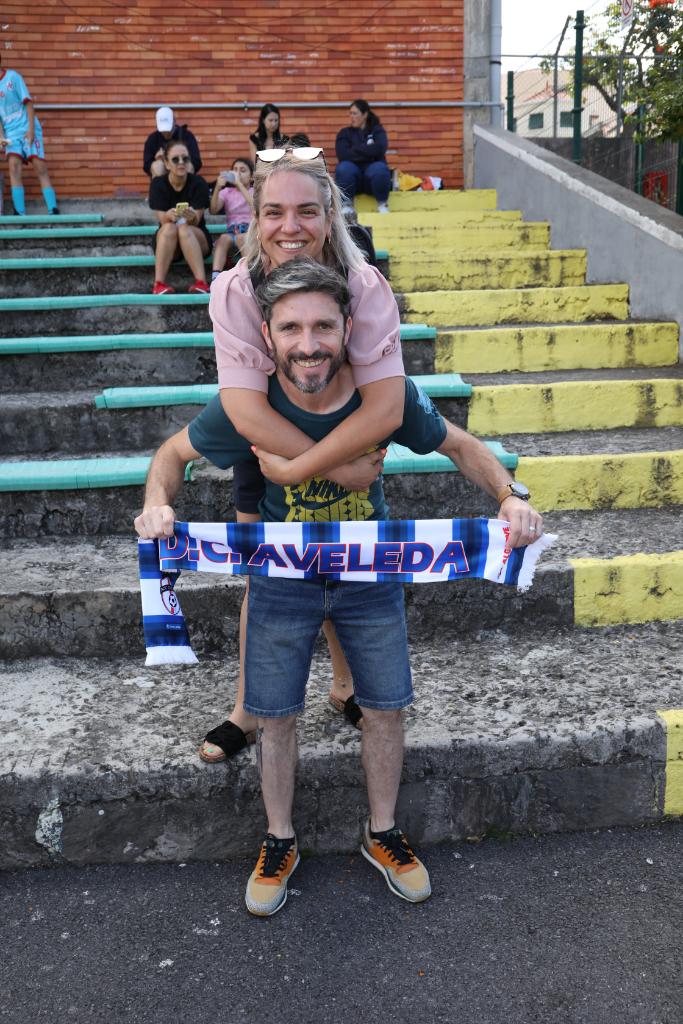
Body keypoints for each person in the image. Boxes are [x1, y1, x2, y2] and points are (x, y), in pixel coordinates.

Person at [134, 257, 544, 916]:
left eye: (323, 326)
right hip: (282, 582)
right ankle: (279, 838)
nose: (308, 344)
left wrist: (509, 494)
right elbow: (171, 455)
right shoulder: (246, 406)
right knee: (274, 716)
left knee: (385, 708)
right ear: (266, 337)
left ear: (348, 328)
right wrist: (157, 504)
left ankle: (382, 831)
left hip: (369, 579)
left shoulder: (384, 397)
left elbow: (459, 445)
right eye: (291, 328)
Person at [199, 147, 406, 763]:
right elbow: (246, 412)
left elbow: (386, 409)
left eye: (307, 211)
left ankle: (344, 686)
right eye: (275, 212)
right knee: (265, 569)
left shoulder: (363, 284)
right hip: (269, 440)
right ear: (255, 218)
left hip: (345, 428)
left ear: (330, 214)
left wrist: (321, 463)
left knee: (342, 556)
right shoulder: (235, 289)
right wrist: (335, 468)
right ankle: (249, 707)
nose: (291, 226)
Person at [148, 138, 212, 295]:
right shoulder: (158, 184)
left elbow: (196, 220)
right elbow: (162, 219)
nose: (181, 162)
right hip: (169, 242)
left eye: (185, 158)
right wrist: (168, 216)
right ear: (167, 164)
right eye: (175, 159)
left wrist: (191, 217)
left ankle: (201, 283)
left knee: (184, 228)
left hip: (196, 239)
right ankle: (158, 284)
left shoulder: (198, 183)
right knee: (169, 227)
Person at [0, 54, 59, 215]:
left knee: (40, 166)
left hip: (27, 127)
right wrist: (1, 136)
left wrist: (31, 130)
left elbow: (29, 103)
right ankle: (19, 212)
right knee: (13, 166)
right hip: (11, 133)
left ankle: (53, 209)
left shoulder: (13, 77)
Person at [335, 99, 392, 215]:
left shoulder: (377, 131)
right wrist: (369, 154)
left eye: (355, 113)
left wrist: (355, 149)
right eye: (350, 113)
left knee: (380, 168)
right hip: (352, 181)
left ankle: (382, 204)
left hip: (372, 181)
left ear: (365, 114)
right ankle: (346, 206)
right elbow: (342, 154)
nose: (351, 117)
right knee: (344, 167)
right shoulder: (345, 133)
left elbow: (380, 149)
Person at [209, 157, 254, 280]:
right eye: (235, 170)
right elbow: (213, 210)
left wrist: (239, 184)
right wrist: (217, 188)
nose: (237, 173)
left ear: (251, 177)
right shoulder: (227, 192)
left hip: (249, 231)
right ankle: (215, 276)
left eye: (242, 170)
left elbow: (254, 206)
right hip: (231, 230)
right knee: (223, 239)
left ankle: (250, 274)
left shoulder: (254, 191)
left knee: (241, 238)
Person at [143, 106, 202, 179]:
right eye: (162, 130)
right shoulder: (153, 138)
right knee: (157, 166)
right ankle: (160, 186)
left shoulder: (186, 135)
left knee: (189, 166)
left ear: (174, 121)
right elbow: (146, 165)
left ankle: (186, 186)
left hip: (182, 171)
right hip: (162, 175)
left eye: (168, 129)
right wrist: (157, 160)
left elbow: (196, 162)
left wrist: (182, 158)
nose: (165, 132)